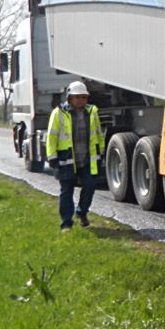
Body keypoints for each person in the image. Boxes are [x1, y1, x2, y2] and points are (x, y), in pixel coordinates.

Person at [46, 81, 105, 231]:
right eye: (77, 97)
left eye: (84, 97)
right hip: (66, 159)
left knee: (90, 186)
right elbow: (51, 137)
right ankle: (66, 223)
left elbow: (98, 134)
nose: (80, 100)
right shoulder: (58, 113)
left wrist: (101, 152)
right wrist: (51, 156)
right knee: (67, 190)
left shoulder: (92, 113)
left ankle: (82, 212)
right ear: (69, 98)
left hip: (87, 159)